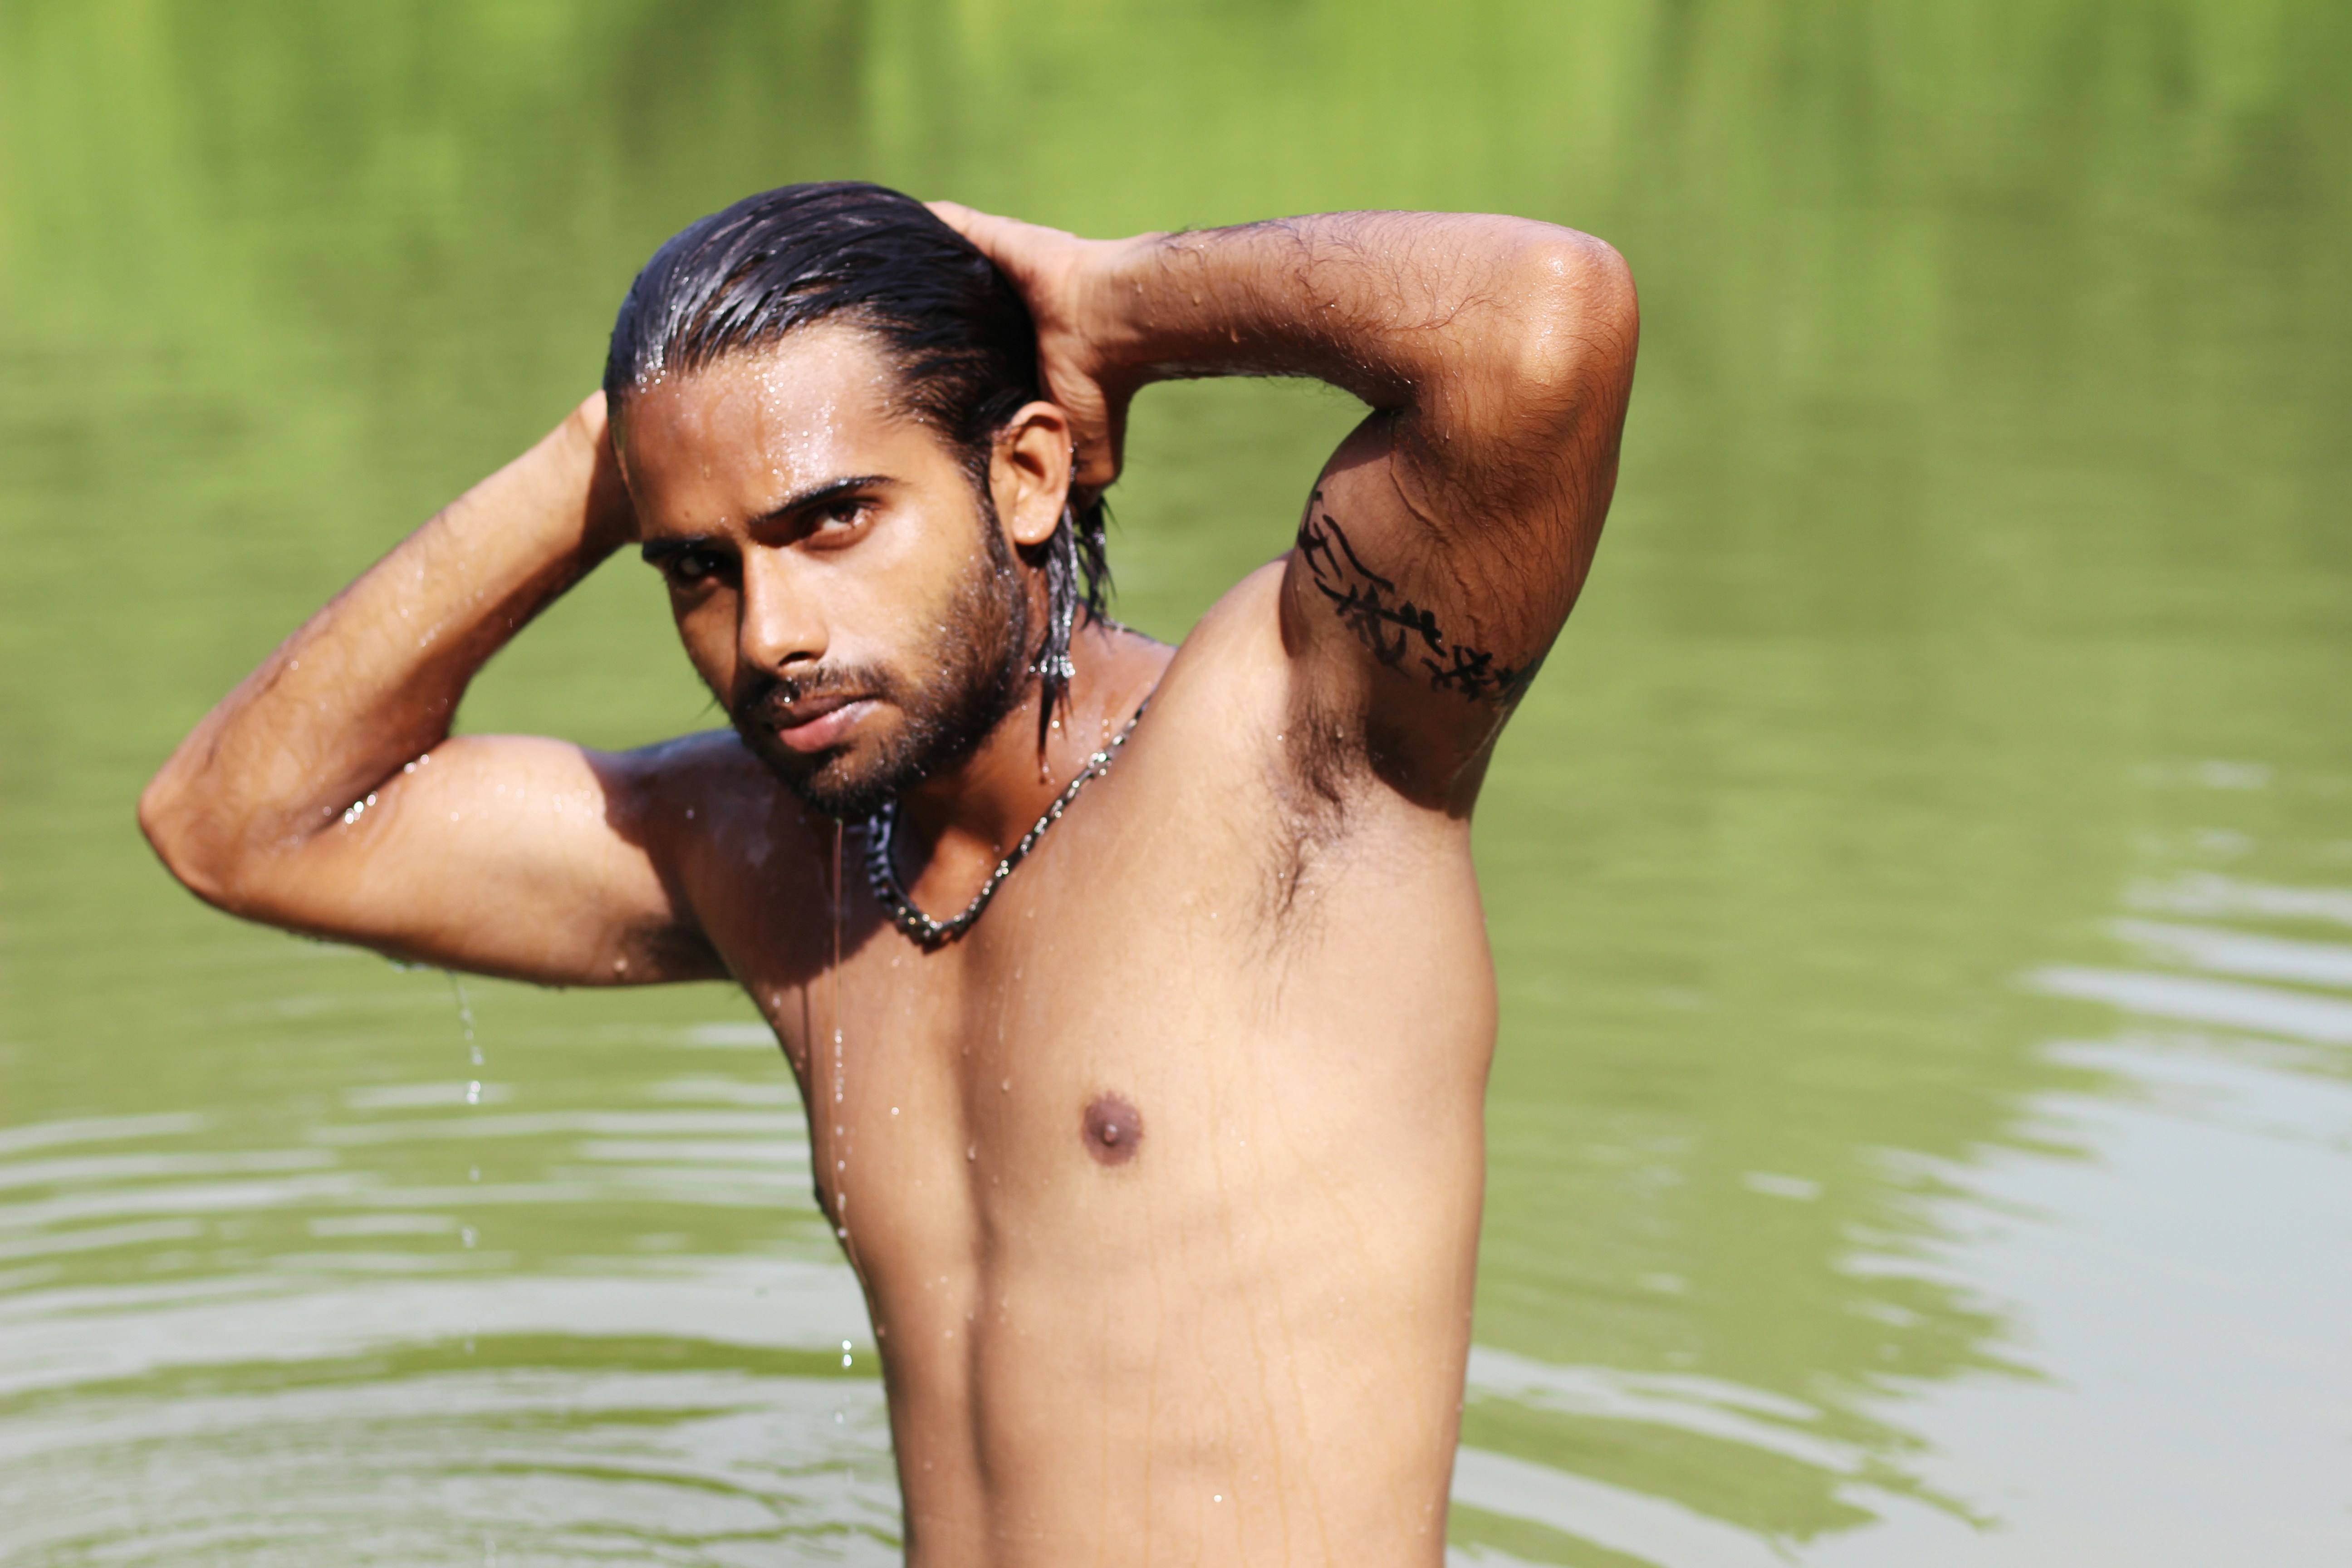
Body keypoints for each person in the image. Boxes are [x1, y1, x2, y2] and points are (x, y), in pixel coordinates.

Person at [139, 181, 1637, 1566]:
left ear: (1031, 472)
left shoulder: (1304, 753)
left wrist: (1120, 305)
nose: (772, 631)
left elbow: (1546, 317)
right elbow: (240, 826)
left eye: (831, 519)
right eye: (698, 569)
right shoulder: (782, 858)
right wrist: (612, 455)